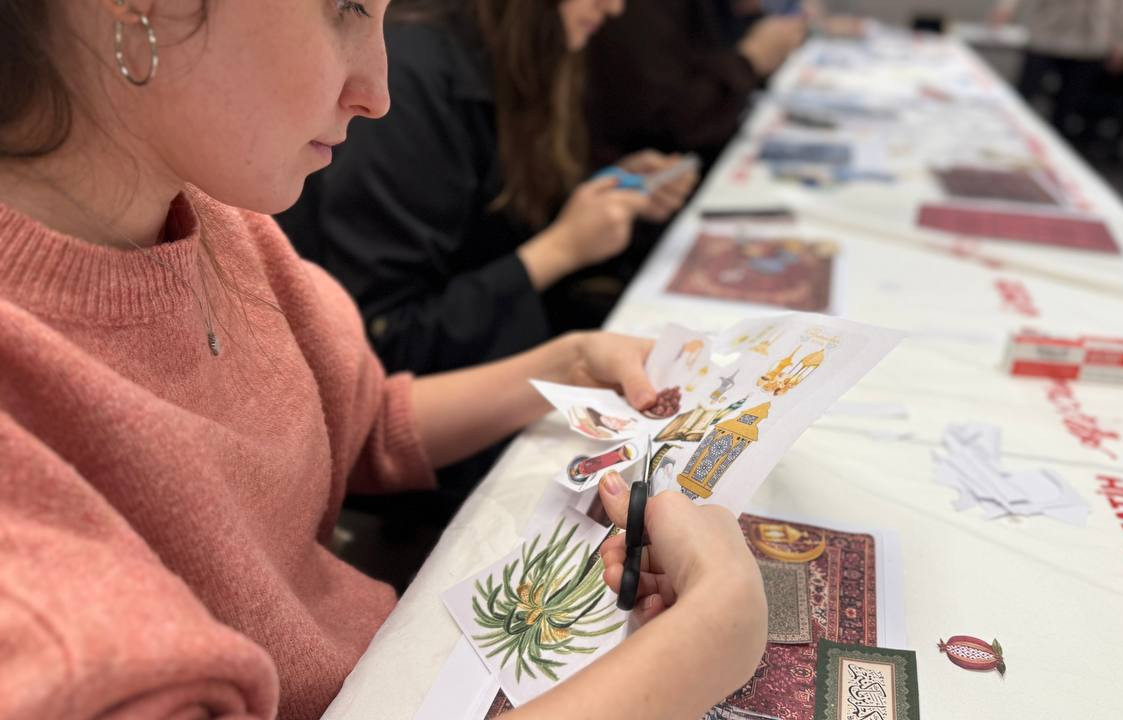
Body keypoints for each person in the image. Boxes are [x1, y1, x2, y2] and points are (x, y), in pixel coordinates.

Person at [0, 1, 766, 718]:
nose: (377, 94)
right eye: (345, 8)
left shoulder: (218, 223)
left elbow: (365, 421)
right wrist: (700, 647)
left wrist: (566, 362)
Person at [279, 0, 699, 381]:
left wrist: (606, 190)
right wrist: (561, 248)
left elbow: (494, 227)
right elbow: (390, 340)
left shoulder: (511, 55)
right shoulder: (412, 81)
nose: (614, 7)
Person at [584, 0, 808, 169]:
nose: (614, 7)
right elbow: (672, 124)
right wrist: (750, 60)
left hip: (669, 169)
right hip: (675, 162)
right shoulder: (640, 12)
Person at [989, 0, 1123, 143]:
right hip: (1047, 33)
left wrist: (1121, 42)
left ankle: (1049, 149)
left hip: (1089, 42)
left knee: (1067, 110)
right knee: (1024, 98)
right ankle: (1005, 140)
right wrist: (1005, 7)